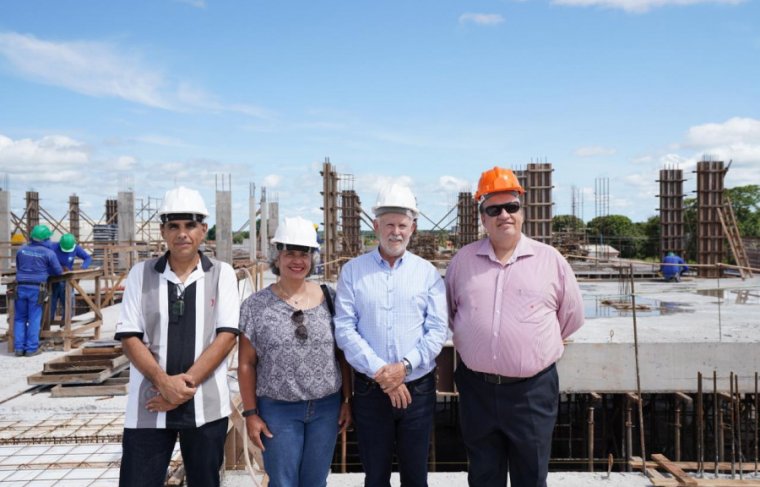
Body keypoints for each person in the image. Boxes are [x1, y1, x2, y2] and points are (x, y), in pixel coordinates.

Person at [446, 166, 584, 487]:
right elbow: (450, 312)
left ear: (522, 212)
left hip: (531, 391)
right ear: (482, 218)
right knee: (483, 475)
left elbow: (571, 316)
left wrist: (532, 346)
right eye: (494, 209)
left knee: (531, 475)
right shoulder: (462, 262)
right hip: (476, 388)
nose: (504, 215)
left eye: (511, 207)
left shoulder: (550, 260)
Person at [114, 186, 240, 487]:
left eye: (190, 225)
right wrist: (164, 384)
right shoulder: (141, 274)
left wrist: (181, 387)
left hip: (205, 406)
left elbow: (226, 336)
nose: (182, 234)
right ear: (163, 231)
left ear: (203, 230)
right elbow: (130, 336)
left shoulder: (222, 274)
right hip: (150, 404)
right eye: (174, 226)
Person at [334, 183, 448, 487]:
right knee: (375, 476)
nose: (396, 232)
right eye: (389, 225)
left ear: (413, 227)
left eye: (402, 225)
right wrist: (382, 372)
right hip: (371, 392)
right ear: (375, 226)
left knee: (415, 477)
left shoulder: (427, 274)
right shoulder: (352, 272)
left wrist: (403, 368)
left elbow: (437, 331)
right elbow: (345, 329)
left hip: (418, 391)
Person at [238, 216, 352, 487]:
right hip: (277, 410)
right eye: (290, 253)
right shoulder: (256, 306)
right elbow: (246, 364)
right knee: (283, 482)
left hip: (326, 408)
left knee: (315, 481)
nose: (297, 260)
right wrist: (251, 414)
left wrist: (347, 400)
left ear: (313, 258)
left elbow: (342, 355)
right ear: (277, 257)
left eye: (304, 253)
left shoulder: (331, 298)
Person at [13, 224, 62, 357]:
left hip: (20, 287)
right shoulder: (49, 253)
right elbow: (58, 272)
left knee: (19, 318)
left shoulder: (21, 250)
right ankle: (31, 349)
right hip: (37, 288)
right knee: (34, 317)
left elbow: (19, 267)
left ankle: (18, 348)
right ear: (46, 239)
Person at [49, 233, 93, 322]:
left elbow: (88, 258)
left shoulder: (75, 248)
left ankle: (66, 325)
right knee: (50, 305)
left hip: (67, 281)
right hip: (52, 280)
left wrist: (83, 267)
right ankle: (47, 326)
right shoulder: (52, 247)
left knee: (68, 304)